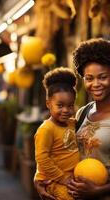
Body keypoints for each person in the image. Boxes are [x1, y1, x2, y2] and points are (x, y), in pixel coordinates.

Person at [35, 38, 110, 200]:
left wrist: (99, 191)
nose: (96, 84)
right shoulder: (81, 113)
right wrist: (39, 179)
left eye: (102, 77)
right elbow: (53, 151)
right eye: (89, 78)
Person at [34, 67, 80, 200]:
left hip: (70, 180)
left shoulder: (73, 123)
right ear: (48, 104)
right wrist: (62, 178)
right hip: (54, 182)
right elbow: (42, 158)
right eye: (60, 105)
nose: (66, 110)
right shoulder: (46, 129)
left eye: (70, 105)